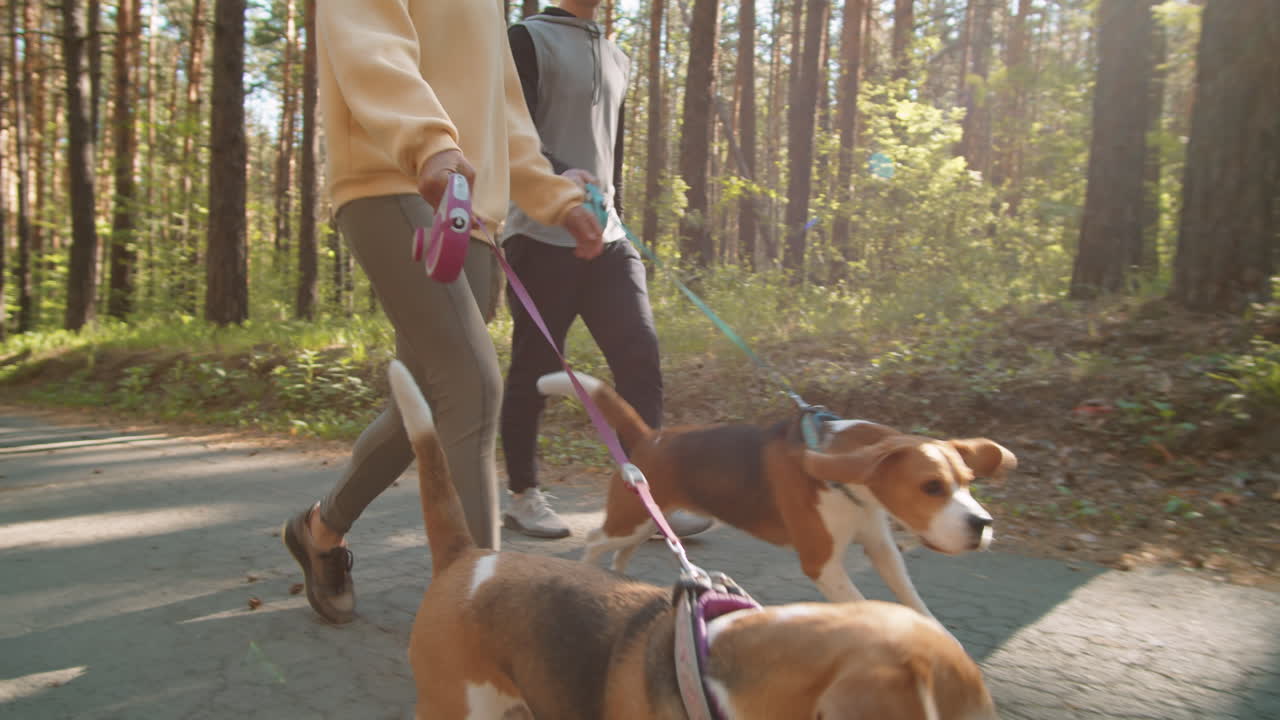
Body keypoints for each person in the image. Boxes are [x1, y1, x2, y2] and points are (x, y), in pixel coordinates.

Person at [283, 1, 604, 625]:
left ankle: (319, 530)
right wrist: (428, 143)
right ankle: (482, 615)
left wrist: (556, 198)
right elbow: (368, 42)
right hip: (392, 179)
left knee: (428, 405)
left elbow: (505, 115)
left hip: (473, 214)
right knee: (473, 384)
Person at [499, 0, 712, 540]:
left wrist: (612, 214)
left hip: (608, 236)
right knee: (535, 371)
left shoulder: (617, 56)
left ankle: (650, 495)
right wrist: (554, 179)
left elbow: (609, 157)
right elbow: (508, 134)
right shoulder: (526, 40)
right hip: (539, 232)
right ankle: (524, 495)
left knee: (640, 356)